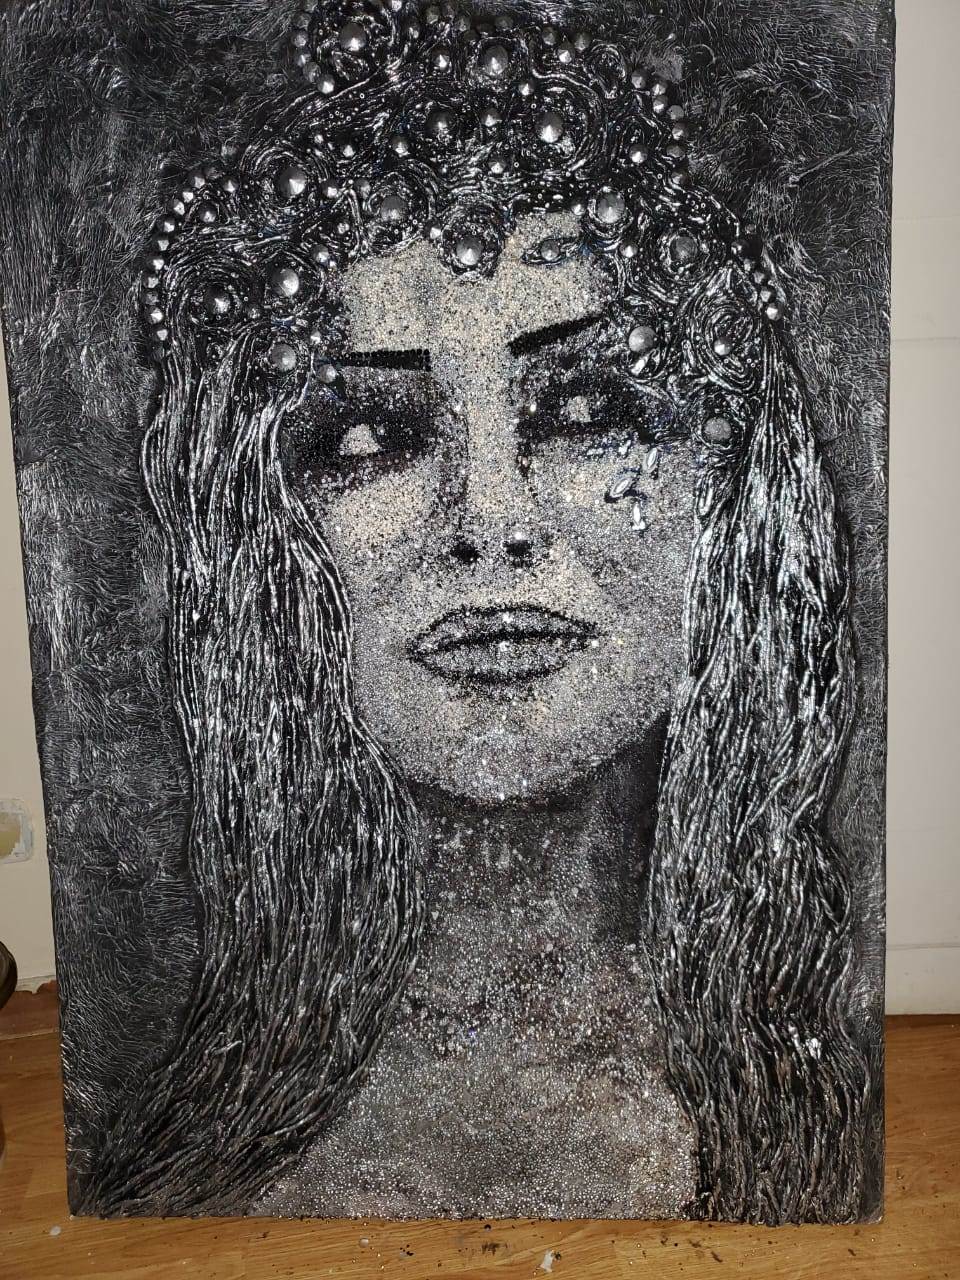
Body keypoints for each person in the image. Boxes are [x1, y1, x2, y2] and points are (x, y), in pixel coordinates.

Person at [87, 1, 871, 1223]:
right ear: (260, 527)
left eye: (586, 410)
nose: (489, 519)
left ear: (728, 472)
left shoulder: (794, 1106)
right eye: (370, 434)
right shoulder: (215, 1171)